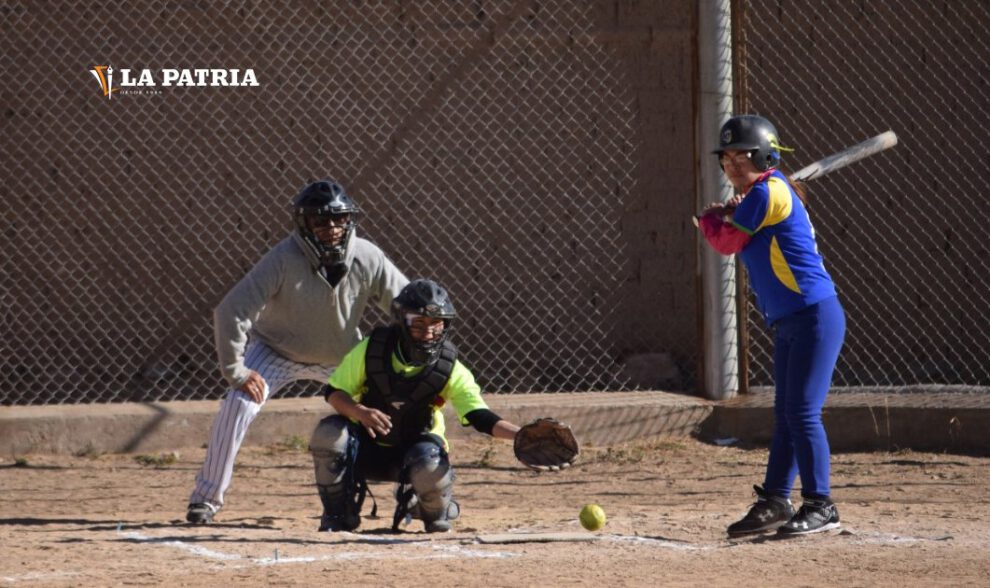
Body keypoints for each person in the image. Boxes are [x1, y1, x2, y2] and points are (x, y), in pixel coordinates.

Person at [186, 179, 408, 524]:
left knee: (395, 407)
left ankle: (412, 494)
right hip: (276, 351)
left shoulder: (367, 255)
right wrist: (236, 372)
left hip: (341, 356)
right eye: (320, 220)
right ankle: (206, 499)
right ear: (304, 224)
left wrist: (409, 352)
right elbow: (232, 311)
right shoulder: (282, 258)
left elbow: (407, 304)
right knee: (239, 404)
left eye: (339, 219)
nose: (331, 228)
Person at [696, 114, 845, 537]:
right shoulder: (761, 196)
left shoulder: (771, 190)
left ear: (764, 155)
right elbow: (741, 229)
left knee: (802, 412)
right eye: (725, 158)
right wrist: (730, 213)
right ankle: (777, 500)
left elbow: (727, 242)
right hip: (792, 320)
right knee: (786, 414)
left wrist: (712, 219)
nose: (731, 165)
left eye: (740, 156)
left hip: (815, 314)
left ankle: (821, 505)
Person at [309, 279, 522, 533]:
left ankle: (427, 506)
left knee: (431, 470)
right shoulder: (373, 349)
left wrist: (522, 435)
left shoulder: (448, 366)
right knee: (329, 433)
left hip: (417, 455)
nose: (429, 333)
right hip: (366, 448)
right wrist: (359, 412)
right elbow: (334, 392)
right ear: (402, 321)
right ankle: (339, 513)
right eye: (418, 324)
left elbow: (479, 415)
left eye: (436, 324)